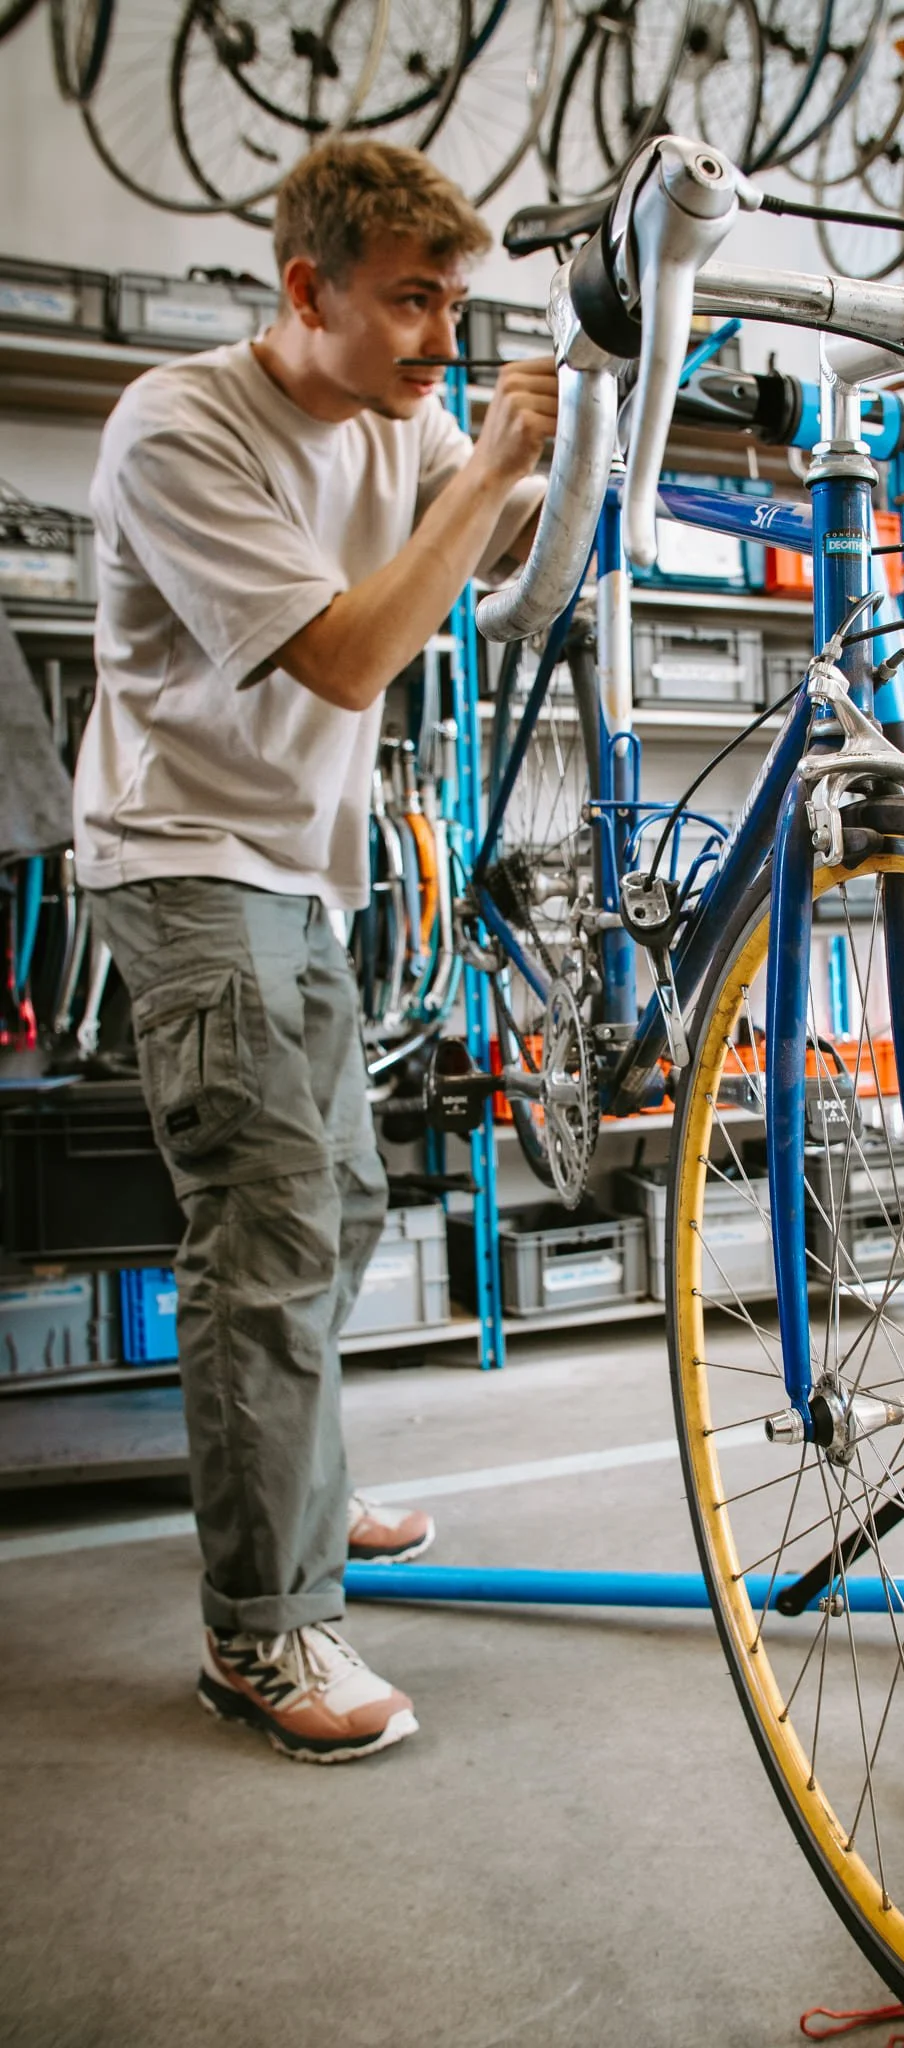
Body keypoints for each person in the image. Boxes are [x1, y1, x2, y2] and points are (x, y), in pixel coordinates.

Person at [72, 138, 557, 1764]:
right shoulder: (183, 426)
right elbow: (352, 659)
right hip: (183, 861)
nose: (442, 337)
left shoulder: (399, 420)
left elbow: (471, 566)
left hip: (302, 868)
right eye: (415, 301)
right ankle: (258, 1632)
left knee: (340, 1197)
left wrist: (547, 455)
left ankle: (303, 1495)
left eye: (454, 302)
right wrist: (483, 474)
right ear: (309, 290)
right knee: (267, 1218)